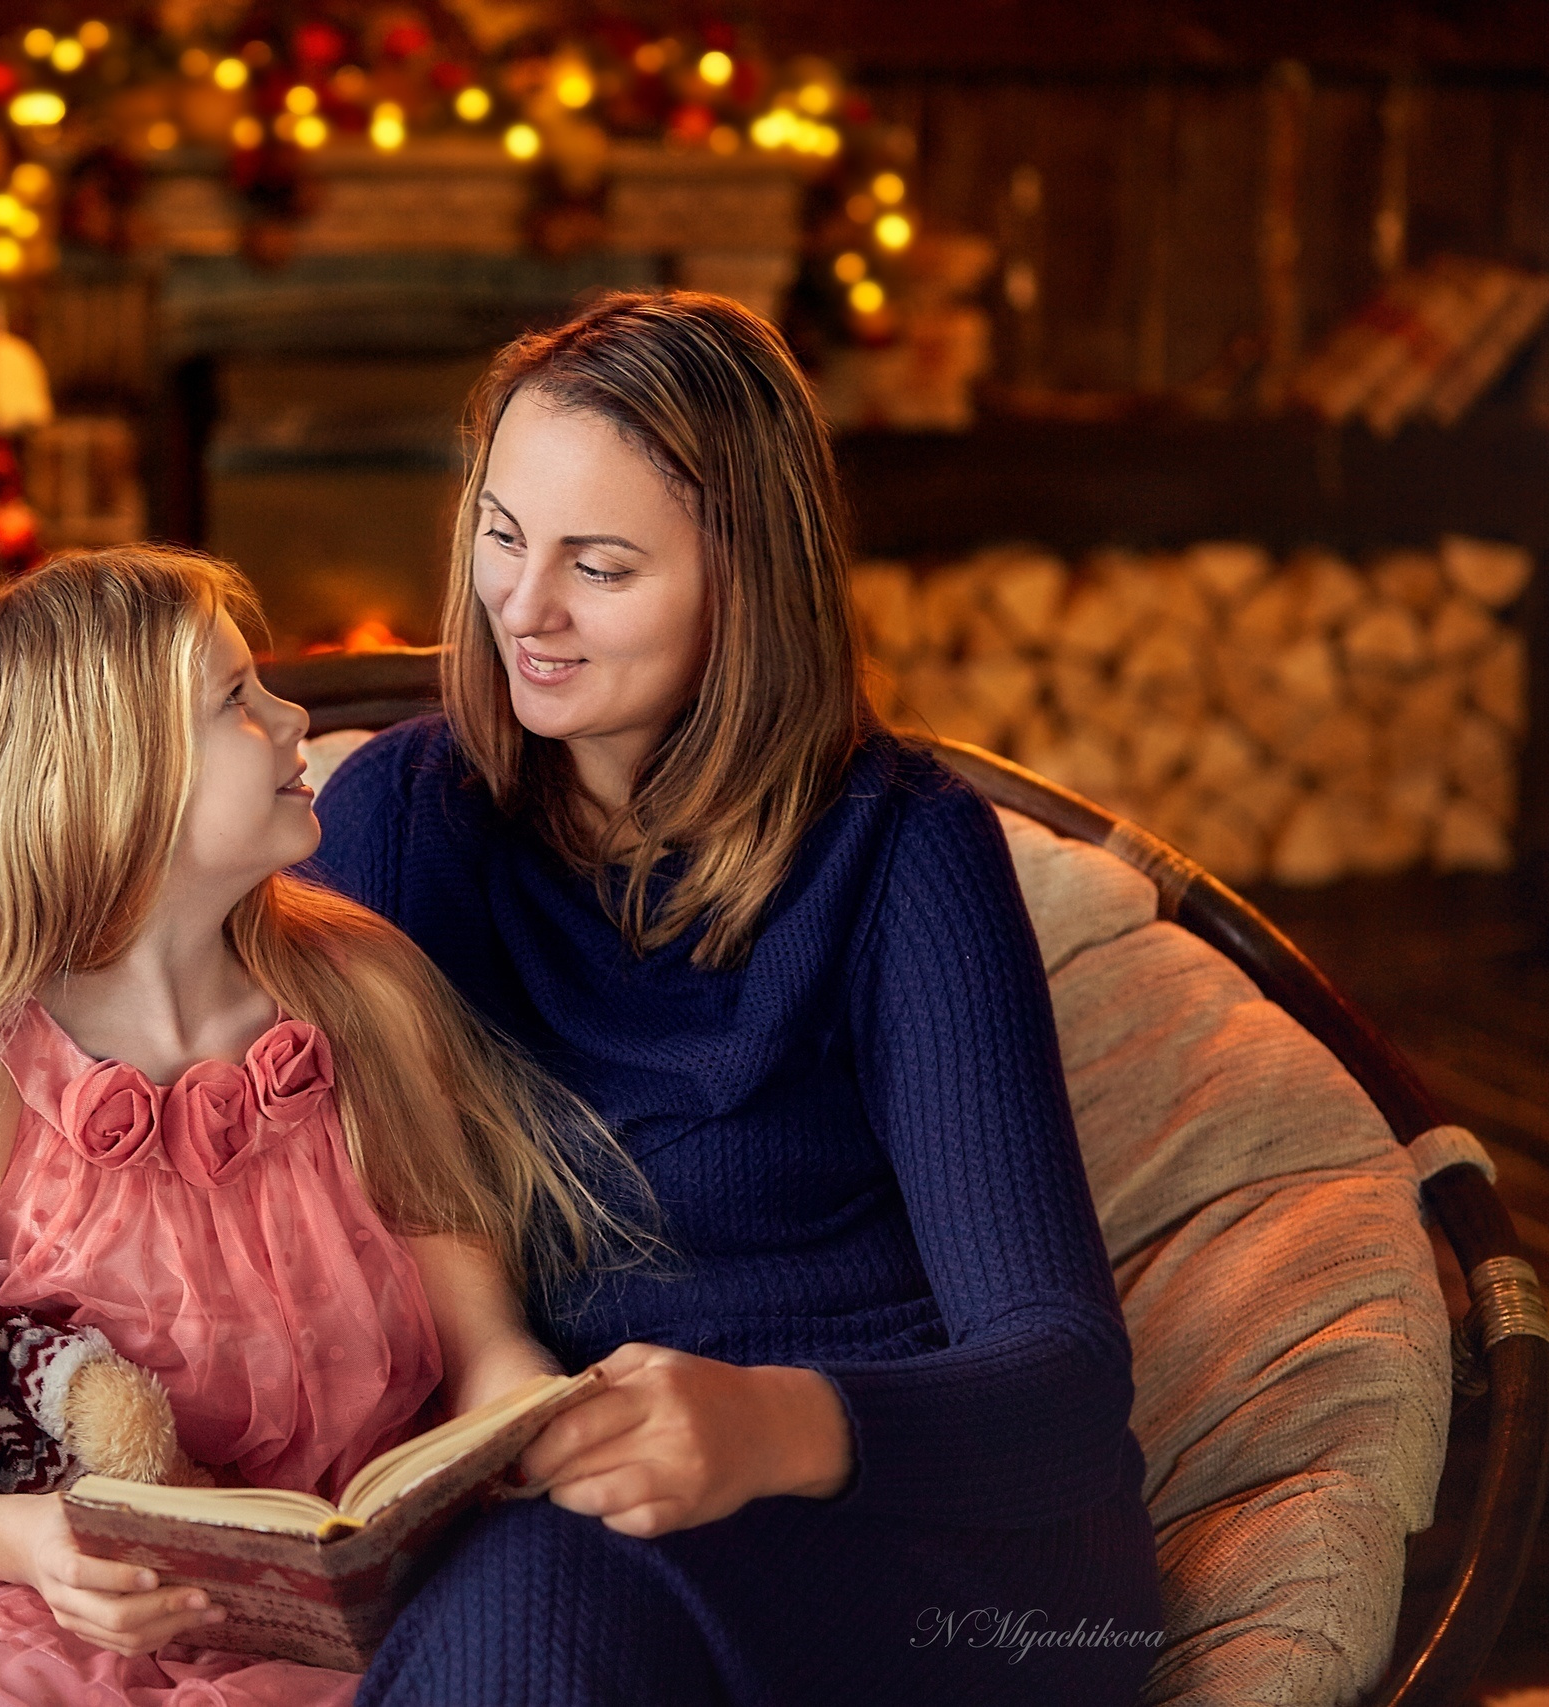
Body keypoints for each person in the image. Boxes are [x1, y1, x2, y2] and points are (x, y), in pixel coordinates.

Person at [307, 291, 1166, 1705]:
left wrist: (772, 1424)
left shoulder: (901, 848)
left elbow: (1064, 1385)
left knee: (536, 1594)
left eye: (602, 564)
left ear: (744, 581)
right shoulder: (401, 821)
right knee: (525, 1586)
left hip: (942, 1558)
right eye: (504, 535)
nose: (524, 608)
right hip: (555, 1513)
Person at [0, 546, 652, 1707]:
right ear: (106, 782)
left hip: (379, 1581)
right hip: (101, 1625)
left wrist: (508, 1396)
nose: (293, 718)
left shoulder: (359, 998)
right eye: (237, 699)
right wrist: (30, 1544)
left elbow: (463, 1288)